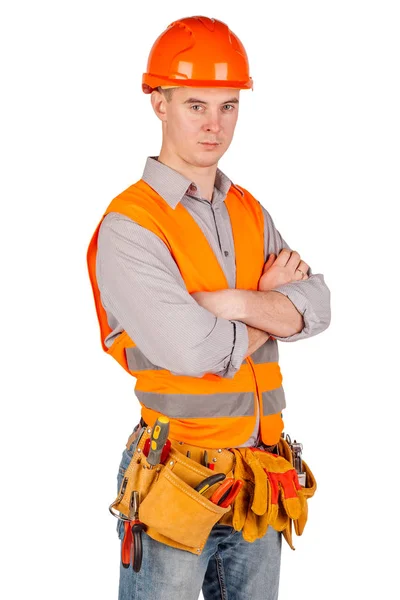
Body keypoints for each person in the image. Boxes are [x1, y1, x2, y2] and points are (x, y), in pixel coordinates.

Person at [86, 15, 331, 600]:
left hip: (260, 477)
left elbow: (318, 306)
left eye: (228, 106)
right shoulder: (131, 227)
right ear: (159, 103)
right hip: (177, 474)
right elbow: (196, 351)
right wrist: (269, 307)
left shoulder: (248, 210)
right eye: (196, 105)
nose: (214, 125)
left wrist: (229, 302)